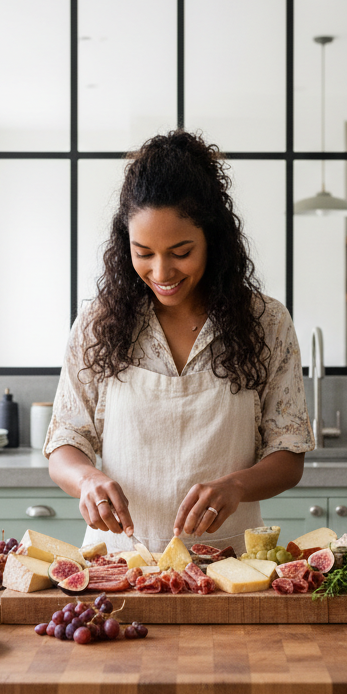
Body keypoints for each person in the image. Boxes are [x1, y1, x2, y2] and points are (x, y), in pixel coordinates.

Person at [44, 130, 314, 555]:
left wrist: (237, 485)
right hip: (119, 561)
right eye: (143, 252)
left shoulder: (267, 323)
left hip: (229, 565)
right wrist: (87, 479)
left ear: (213, 239)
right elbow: (65, 441)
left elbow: (289, 454)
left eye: (181, 252)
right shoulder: (98, 323)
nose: (161, 272)